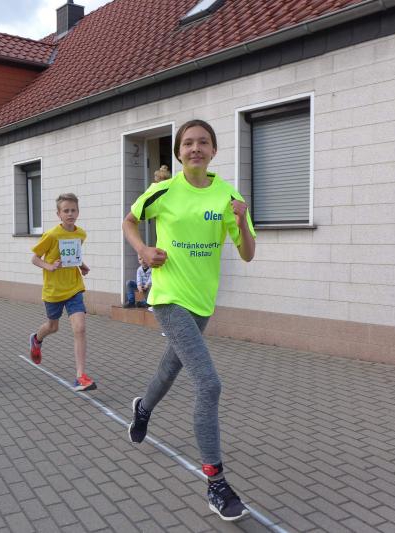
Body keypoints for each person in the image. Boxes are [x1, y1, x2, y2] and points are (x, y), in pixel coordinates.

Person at [122, 119, 256, 523]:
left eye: (203, 142)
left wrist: (242, 219)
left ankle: (143, 408)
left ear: (213, 150)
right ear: (179, 152)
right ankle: (216, 483)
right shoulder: (163, 190)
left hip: (202, 303)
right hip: (168, 298)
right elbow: (129, 221)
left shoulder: (229, 196)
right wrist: (143, 250)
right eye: (188, 143)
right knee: (209, 384)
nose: (195, 148)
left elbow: (247, 253)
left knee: (170, 368)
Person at [28, 193, 95, 392]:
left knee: (80, 328)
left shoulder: (81, 234)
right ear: (58, 214)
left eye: (73, 210)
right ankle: (36, 339)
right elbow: (35, 258)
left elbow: (72, 255)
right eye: (66, 211)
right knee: (53, 326)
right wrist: (49, 266)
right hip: (54, 290)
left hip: (74, 287)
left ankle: (80, 376)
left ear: (78, 212)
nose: (70, 214)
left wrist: (81, 265)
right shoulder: (51, 235)